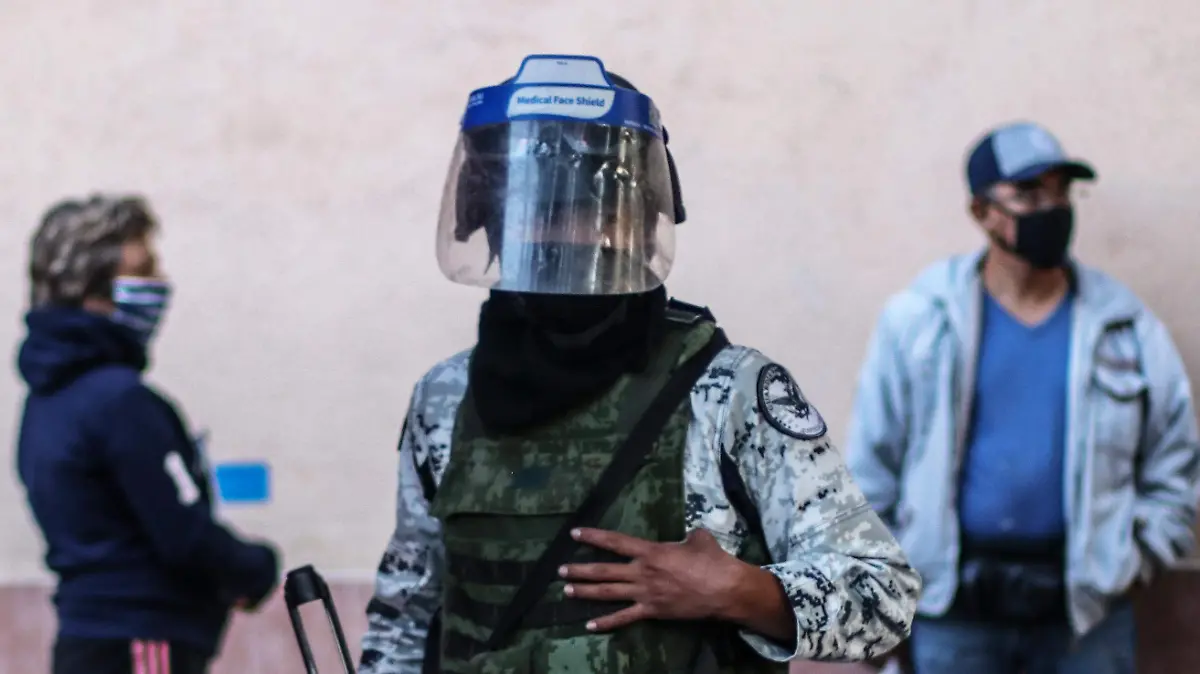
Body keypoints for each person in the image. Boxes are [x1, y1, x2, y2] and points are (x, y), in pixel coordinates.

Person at [357, 54, 920, 674]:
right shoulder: (445, 398)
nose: (560, 238)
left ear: (634, 224)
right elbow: (405, 618)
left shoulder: (725, 393)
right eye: (536, 210)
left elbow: (884, 597)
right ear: (492, 222)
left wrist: (740, 591)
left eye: (585, 209)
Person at [846, 121, 1200, 674]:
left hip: (1086, 618)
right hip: (953, 615)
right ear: (982, 212)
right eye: (1029, 194)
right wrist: (881, 592)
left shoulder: (1123, 326)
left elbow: (1174, 462)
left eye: (1061, 192)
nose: (1052, 209)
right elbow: (873, 467)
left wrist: (1134, 559)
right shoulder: (920, 320)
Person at [15, 194, 281, 674]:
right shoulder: (120, 402)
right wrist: (256, 567)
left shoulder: (46, 403)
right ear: (90, 288)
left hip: (89, 639)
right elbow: (181, 533)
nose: (161, 283)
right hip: (140, 640)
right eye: (143, 270)